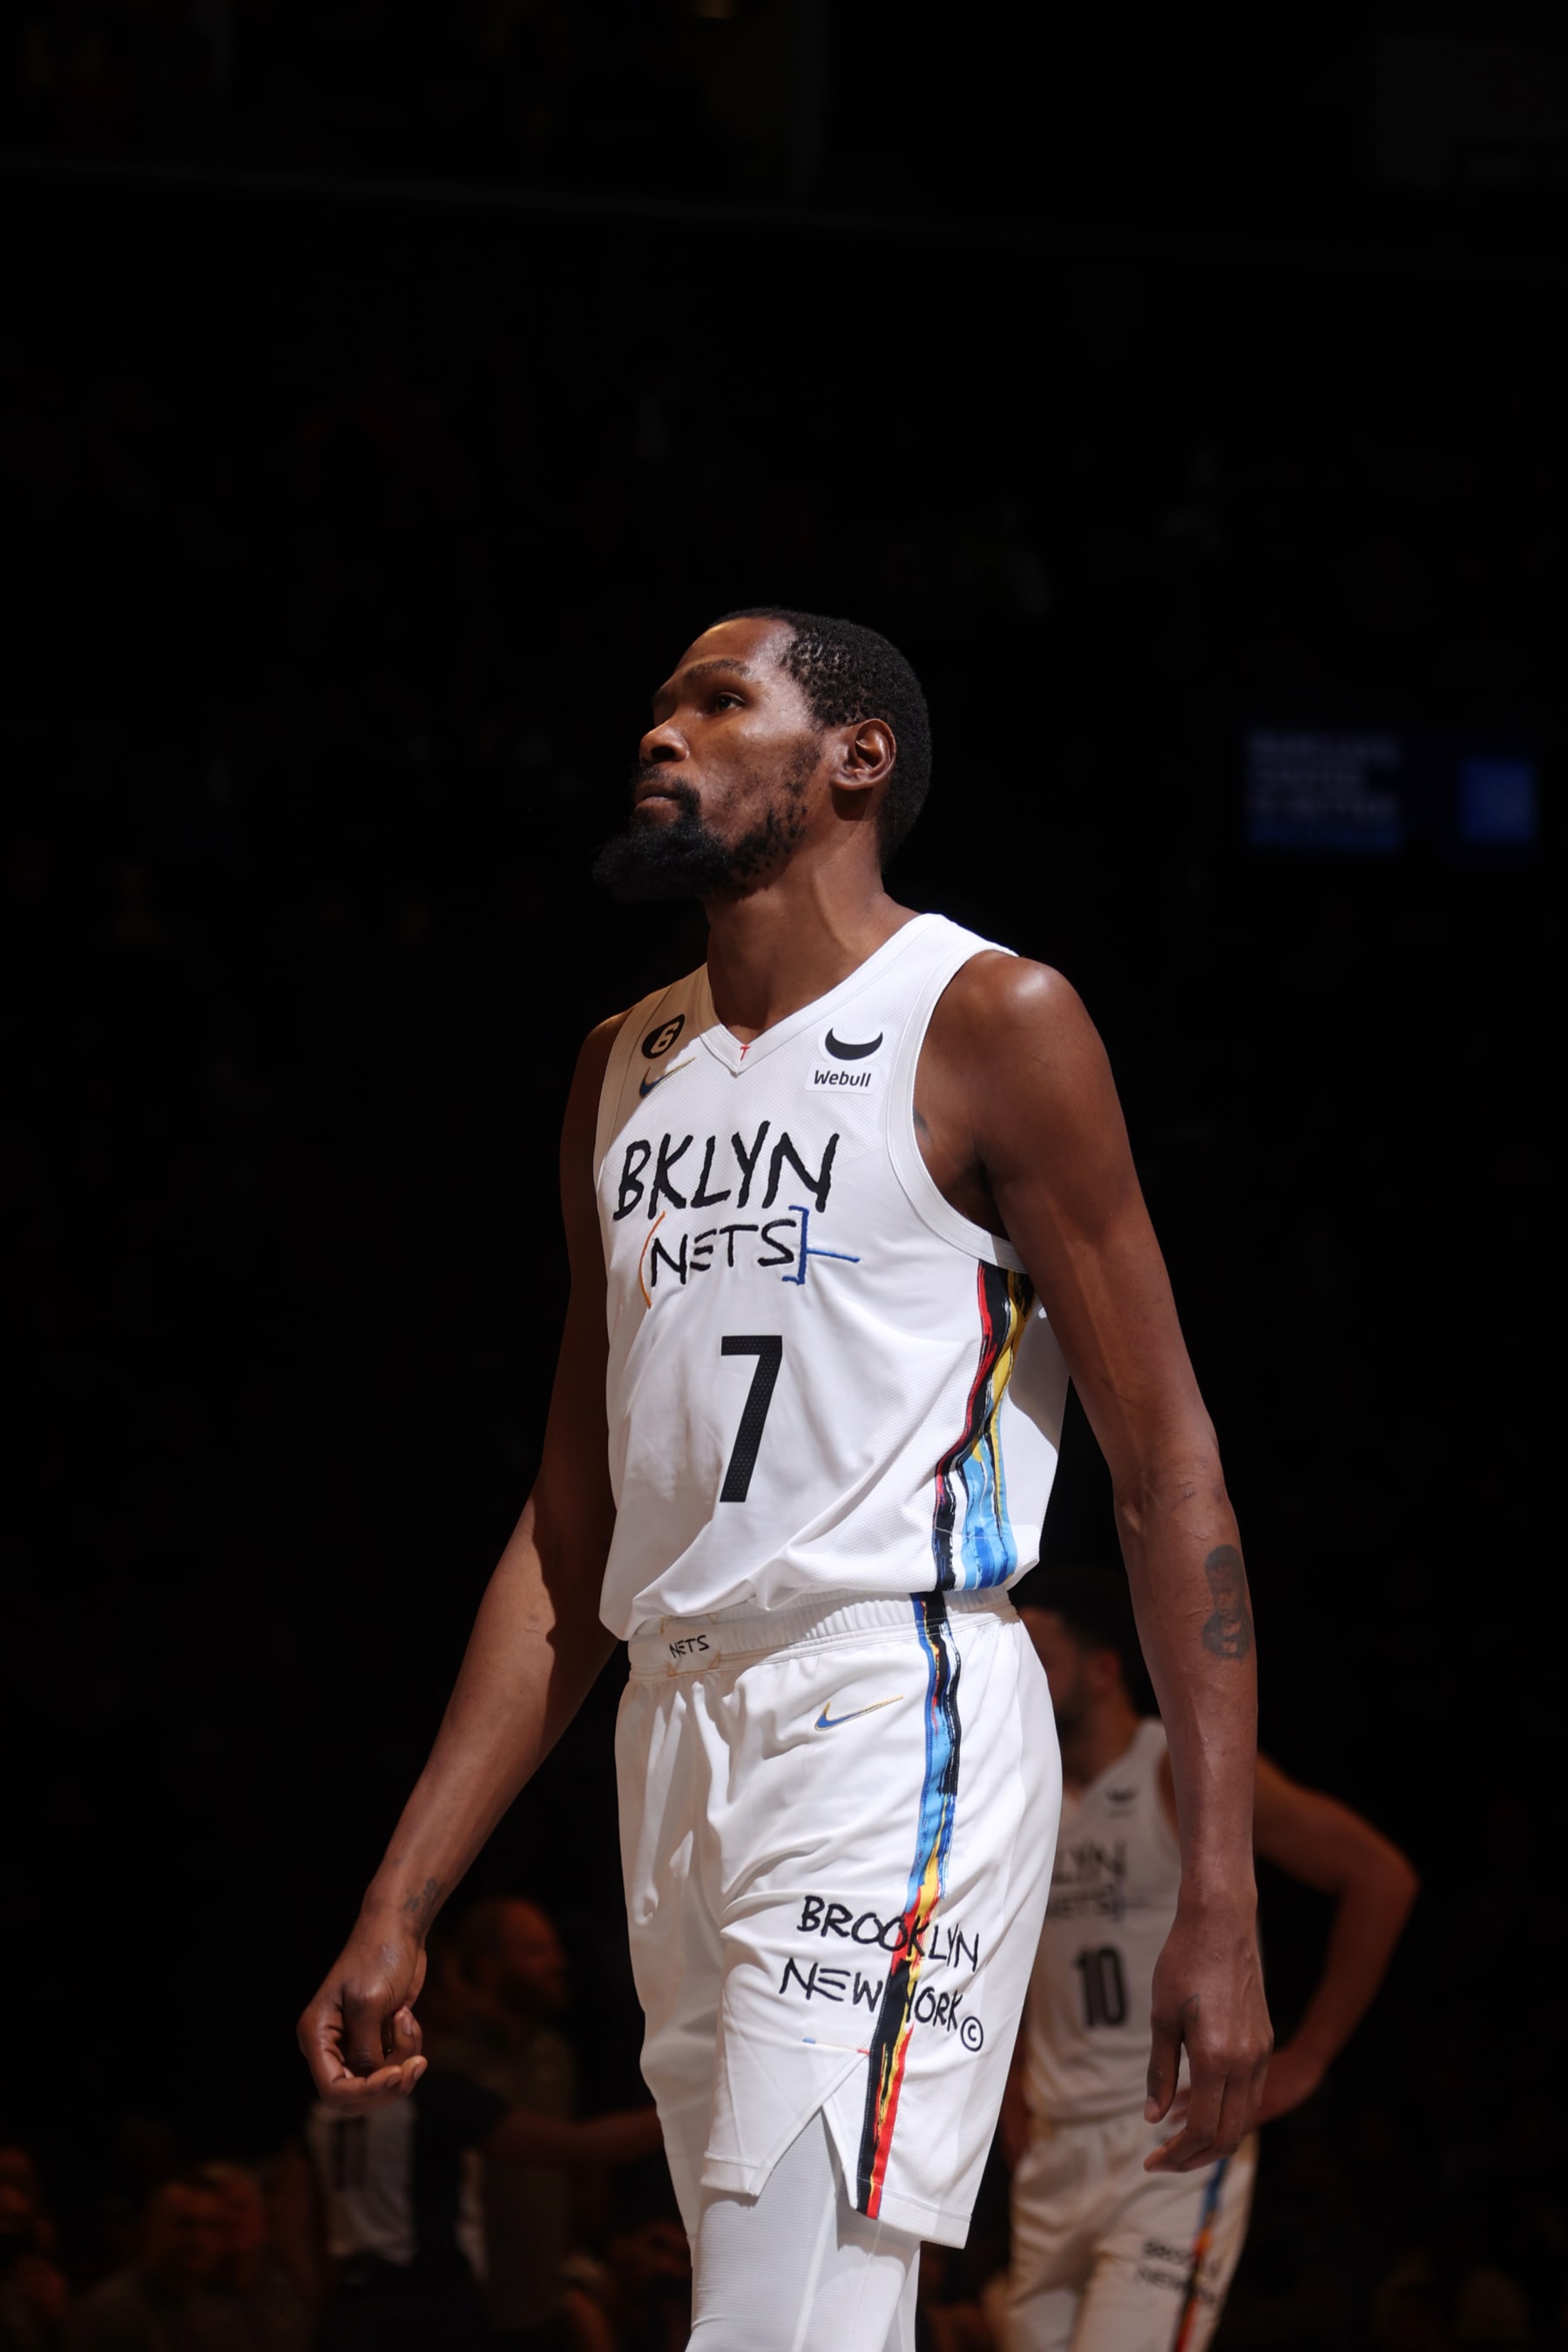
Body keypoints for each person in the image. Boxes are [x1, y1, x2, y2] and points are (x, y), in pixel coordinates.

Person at [298, 605, 1274, 2350]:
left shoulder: (989, 1018)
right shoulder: (622, 1066)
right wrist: (404, 1889)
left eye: (716, 699)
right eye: (660, 703)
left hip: (892, 1702)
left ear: (857, 759)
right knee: (814, 2306)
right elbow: (571, 1525)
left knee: (769, 2304)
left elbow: (1168, 1465)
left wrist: (1220, 1885)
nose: (660, 732)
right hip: (670, 1735)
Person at [1000, 1566, 1418, 2351]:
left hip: (1167, 2142)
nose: (1019, 1677)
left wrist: (1310, 2056)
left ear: (1101, 1670)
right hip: (1053, 2152)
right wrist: (1015, 2081)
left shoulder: (1175, 1771)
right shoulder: (1023, 1795)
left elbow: (1379, 1878)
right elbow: (1024, 1961)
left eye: (1039, 1659)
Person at [429, 1897, 665, 2345]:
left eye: (554, 1948)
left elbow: (574, 2173)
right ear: (488, 1965)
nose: (556, 1962)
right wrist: (687, 2110)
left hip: (545, 2298)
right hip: (470, 2307)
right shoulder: (447, 2066)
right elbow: (575, 2145)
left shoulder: (554, 2053)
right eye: (535, 1951)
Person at [66, 2173, 244, 2352]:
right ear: (152, 2226)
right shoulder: (113, 2313)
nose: (199, 2239)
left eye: (210, 2226)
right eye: (184, 2224)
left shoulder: (219, 2305)